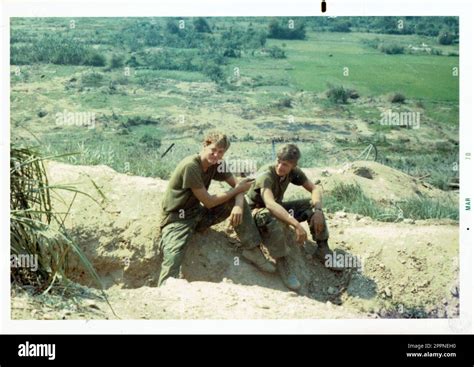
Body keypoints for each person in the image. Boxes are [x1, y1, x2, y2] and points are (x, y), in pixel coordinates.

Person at [157, 132, 276, 286]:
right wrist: (237, 191)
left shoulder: (217, 163)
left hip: (197, 213)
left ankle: (252, 249)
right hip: (177, 218)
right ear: (204, 145)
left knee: (235, 199)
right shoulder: (191, 166)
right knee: (173, 259)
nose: (216, 155)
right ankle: (164, 291)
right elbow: (209, 202)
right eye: (213, 149)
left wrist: (239, 205)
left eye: (221, 152)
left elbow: (238, 184)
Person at [246, 144, 337, 291]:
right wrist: (296, 224)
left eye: (285, 165)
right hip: (255, 214)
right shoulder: (266, 175)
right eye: (279, 161)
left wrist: (318, 210)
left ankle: (322, 248)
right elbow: (270, 204)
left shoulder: (293, 172)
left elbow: (314, 189)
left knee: (310, 205)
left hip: (276, 207)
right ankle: (282, 262)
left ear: (293, 166)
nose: (280, 167)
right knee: (268, 215)